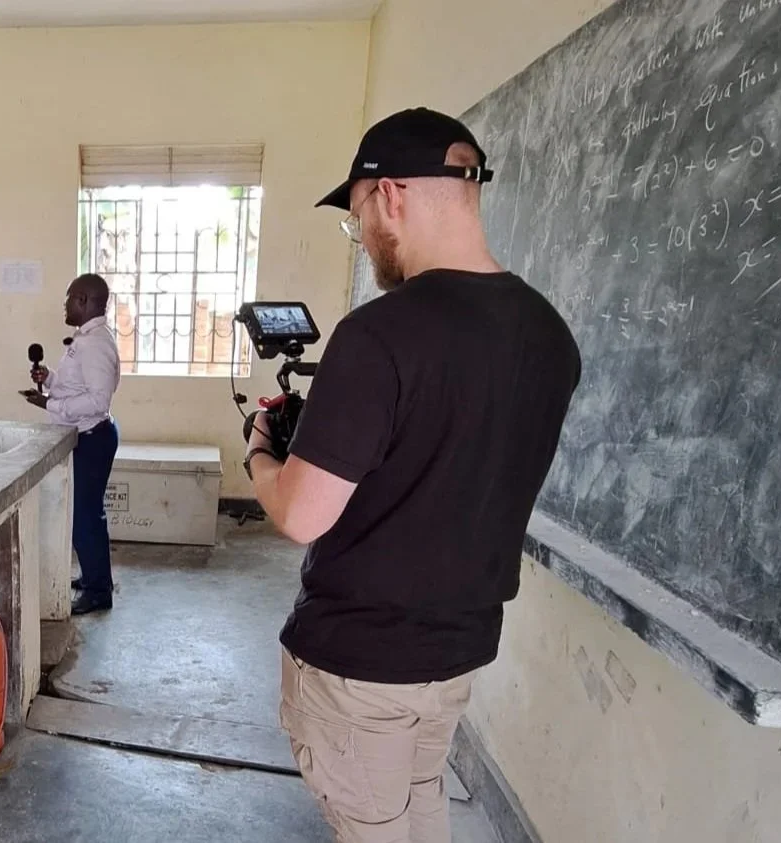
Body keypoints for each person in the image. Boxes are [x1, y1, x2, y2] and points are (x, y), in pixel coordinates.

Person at [244, 108, 581, 843]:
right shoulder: (550, 334)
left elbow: (302, 514)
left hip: (362, 667)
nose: (363, 238)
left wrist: (261, 454)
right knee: (418, 811)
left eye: (357, 217)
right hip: (454, 656)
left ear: (389, 195)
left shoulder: (380, 333)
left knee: (376, 826)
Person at [25, 273, 122, 615]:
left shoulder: (95, 343)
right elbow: (77, 386)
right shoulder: (88, 338)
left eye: (68, 298)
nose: (64, 305)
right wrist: (49, 378)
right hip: (87, 435)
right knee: (85, 515)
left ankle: (98, 592)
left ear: (83, 300)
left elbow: (98, 400)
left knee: (85, 518)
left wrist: (50, 405)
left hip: (93, 437)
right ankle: (94, 578)